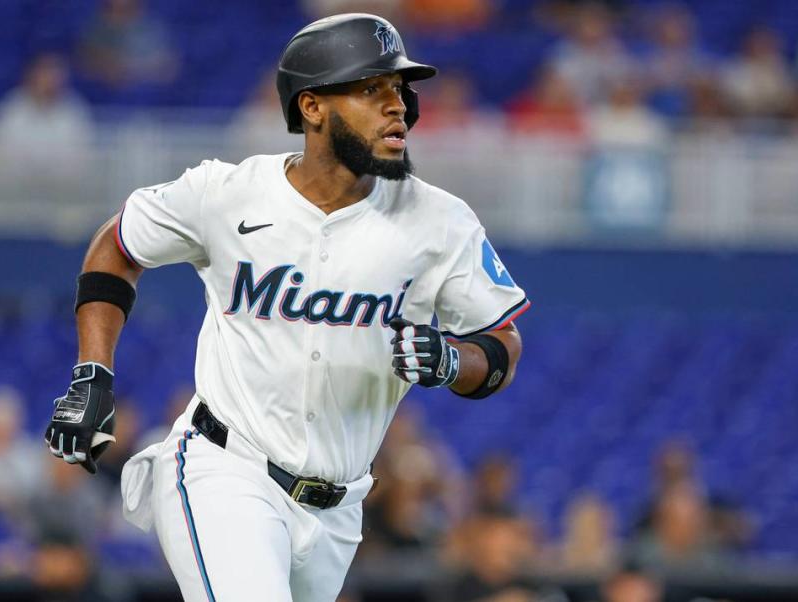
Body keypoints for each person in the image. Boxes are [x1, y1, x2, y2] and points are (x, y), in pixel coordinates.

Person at [42, 13, 529, 602]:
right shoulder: (226, 194)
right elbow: (116, 246)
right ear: (312, 106)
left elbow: (501, 346)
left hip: (338, 509)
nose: (397, 104)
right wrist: (93, 373)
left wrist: (454, 360)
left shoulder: (441, 222)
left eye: (400, 89)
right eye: (371, 88)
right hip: (224, 468)